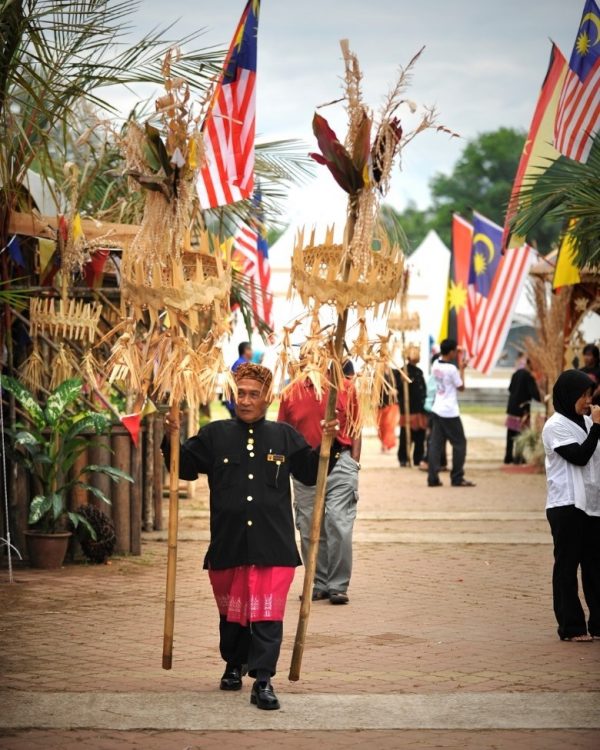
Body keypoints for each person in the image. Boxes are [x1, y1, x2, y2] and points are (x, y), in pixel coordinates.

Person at [162, 363, 339, 710]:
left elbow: (309, 472)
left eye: (253, 395)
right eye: (240, 393)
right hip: (227, 544)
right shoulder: (214, 435)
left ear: (267, 398)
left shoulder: (284, 436)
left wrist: (329, 442)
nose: (245, 400)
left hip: (273, 546)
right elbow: (183, 468)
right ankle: (233, 663)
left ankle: (263, 680)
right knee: (233, 616)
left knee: (267, 615)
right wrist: (171, 440)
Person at [278, 367, 361, 605]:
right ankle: (320, 582)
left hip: (340, 460)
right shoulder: (291, 391)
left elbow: (356, 426)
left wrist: (354, 461)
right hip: (305, 466)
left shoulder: (345, 387)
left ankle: (338, 585)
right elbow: (283, 431)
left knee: (337, 521)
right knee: (309, 527)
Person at [541, 369, 600, 642]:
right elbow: (578, 456)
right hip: (566, 505)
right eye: (583, 395)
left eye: (590, 395)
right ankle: (571, 626)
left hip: (591, 505)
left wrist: (596, 426)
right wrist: (597, 427)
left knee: (594, 566)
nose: (587, 401)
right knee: (567, 566)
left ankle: (598, 623)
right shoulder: (555, 426)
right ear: (568, 395)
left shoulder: (587, 423)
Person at [427, 338, 475, 488]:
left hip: (437, 408)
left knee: (436, 445)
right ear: (452, 352)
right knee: (460, 444)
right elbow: (461, 387)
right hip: (449, 411)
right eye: (455, 351)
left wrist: (458, 352)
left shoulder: (435, 364)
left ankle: (432, 478)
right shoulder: (452, 369)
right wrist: (462, 368)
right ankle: (457, 477)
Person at [504, 355, 541, 464]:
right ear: (531, 364)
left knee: (510, 433)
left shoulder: (516, 373)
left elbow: (510, 389)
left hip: (512, 407)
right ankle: (518, 458)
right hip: (522, 410)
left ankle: (508, 457)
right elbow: (535, 395)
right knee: (520, 434)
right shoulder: (529, 376)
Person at [394, 346, 427, 467]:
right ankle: (403, 458)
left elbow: (423, 389)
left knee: (420, 436)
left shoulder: (419, 372)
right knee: (405, 435)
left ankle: (418, 458)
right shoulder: (402, 371)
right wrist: (402, 381)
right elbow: (398, 389)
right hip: (408, 409)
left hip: (419, 408)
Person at [223, 342, 253, 417]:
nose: (252, 352)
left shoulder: (241, 363)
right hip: (236, 404)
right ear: (245, 350)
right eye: (250, 349)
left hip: (236, 403)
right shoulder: (242, 365)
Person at [376, 369, 398, 453]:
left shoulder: (394, 372)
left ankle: (386, 444)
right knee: (381, 426)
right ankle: (383, 443)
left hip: (392, 404)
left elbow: (398, 385)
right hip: (380, 404)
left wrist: (395, 391)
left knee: (389, 425)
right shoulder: (377, 373)